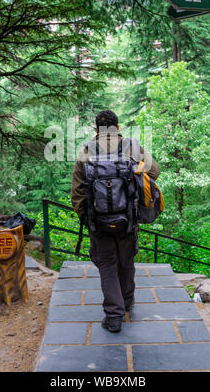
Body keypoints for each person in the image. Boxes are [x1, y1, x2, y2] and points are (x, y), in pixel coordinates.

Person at [71, 110, 160, 332]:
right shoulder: (131, 146)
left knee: (107, 264)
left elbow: (77, 192)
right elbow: (155, 172)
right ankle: (127, 300)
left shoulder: (86, 151)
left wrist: (86, 218)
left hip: (98, 221)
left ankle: (113, 316)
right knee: (126, 259)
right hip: (127, 218)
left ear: (97, 130)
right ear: (117, 128)